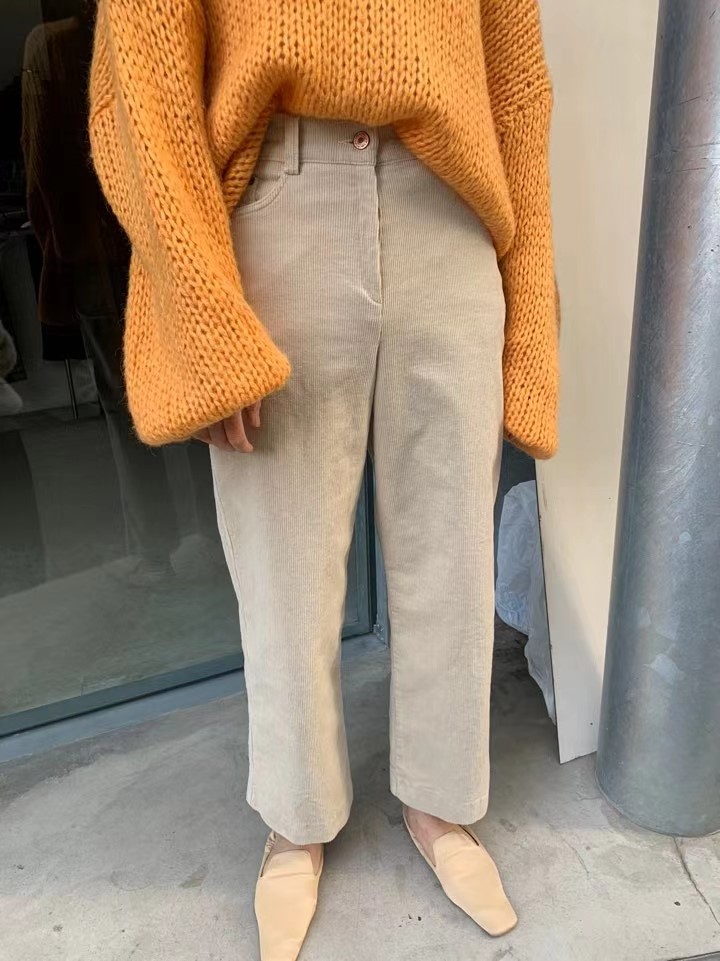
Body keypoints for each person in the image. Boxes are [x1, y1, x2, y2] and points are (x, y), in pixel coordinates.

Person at [89, 1, 558, 958]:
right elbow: (144, 76)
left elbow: (515, 79)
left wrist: (533, 313)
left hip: (449, 207)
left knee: (452, 552)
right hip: (279, 197)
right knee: (284, 562)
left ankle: (441, 801)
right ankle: (294, 817)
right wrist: (200, 313)